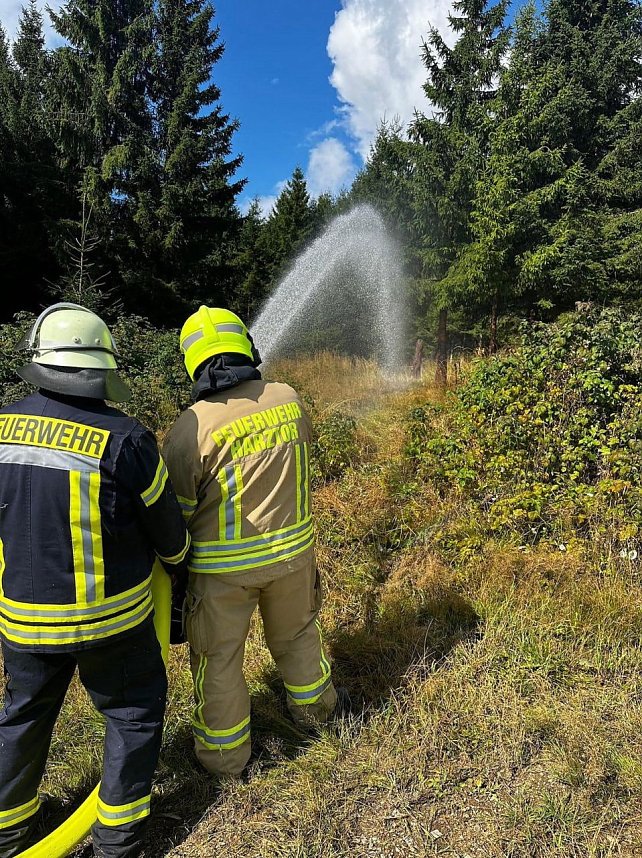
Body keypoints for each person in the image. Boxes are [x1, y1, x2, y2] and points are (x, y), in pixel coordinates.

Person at [0, 303, 190, 858]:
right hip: (113, 624)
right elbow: (168, 532)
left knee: (23, 717)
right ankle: (117, 840)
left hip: (23, 619)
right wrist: (180, 566)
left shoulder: (2, 427)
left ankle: (9, 831)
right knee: (132, 715)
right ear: (100, 371)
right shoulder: (126, 439)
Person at [162, 306, 339, 777]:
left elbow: (173, 516)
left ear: (193, 361)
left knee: (218, 662)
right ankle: (318, 719)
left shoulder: (189, 429)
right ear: (245, 344)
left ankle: (225, 760)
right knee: (299, 637)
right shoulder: (288, 397)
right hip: (294, 559)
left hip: (223, 576)